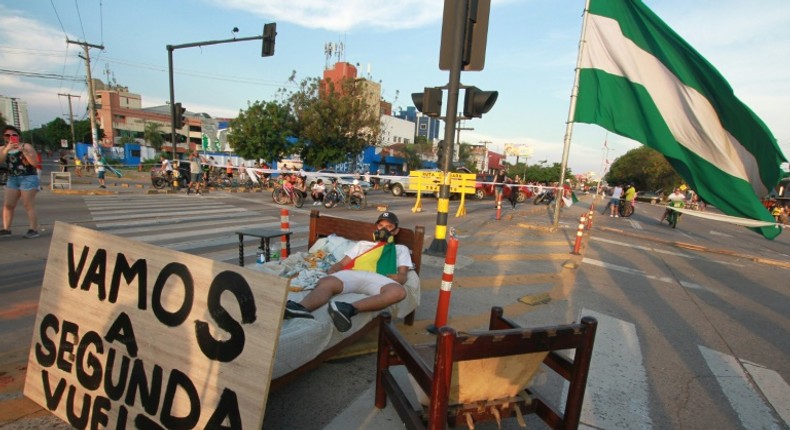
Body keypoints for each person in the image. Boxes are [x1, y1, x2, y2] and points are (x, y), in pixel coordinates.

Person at [284, 212, 413, 332]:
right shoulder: (363, 245)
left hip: (379, 278)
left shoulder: (401, 249)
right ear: (376, 228)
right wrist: (333, 270)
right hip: (353, 274)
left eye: (389, 226)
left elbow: (403, 275)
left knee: (399, 292)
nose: (384, 230)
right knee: (327, 282)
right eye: (381, 225)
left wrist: (399, 278)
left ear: (396, 231)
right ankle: (301, 308)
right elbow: (341, 264)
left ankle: (347, 309)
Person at [1, 125, 40, 238]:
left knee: (28, 204)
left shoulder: (26, 146)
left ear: (18, 136)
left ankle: (33, 229)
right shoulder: (3, 148)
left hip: (28, 177)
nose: (11, 137)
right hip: (12, 178)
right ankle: (6, 229)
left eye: (14, 135)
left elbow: (35, 163)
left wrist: (24, 152)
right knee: (8, 205)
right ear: (4, 137)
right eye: (7, 135)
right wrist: (7, 149)